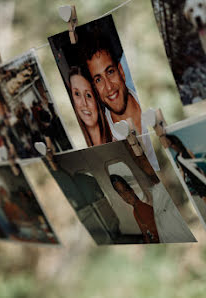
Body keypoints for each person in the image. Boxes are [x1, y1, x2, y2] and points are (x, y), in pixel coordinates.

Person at [83, 36, 159, 170]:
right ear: (94, 89)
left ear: (122, 72)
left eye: (110, 72)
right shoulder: (105, 138)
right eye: (98, 80)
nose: (109, 87)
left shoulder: (152, 95)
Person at [166, 134, 206, 231]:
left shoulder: (187, 151)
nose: (172, 147)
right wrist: (183, 182)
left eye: (172, 144)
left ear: (176, 143)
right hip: (194, 182)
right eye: (170, 146)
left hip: (200, 178)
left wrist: (204, 177)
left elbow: (198, 165)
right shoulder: (178, 158)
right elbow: (182, 170)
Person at [68, 66, 113, 146]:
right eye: (77, 94)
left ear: (96, 101)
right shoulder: (74, 144)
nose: (84, 103)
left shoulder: (116, 136)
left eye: (88, 95)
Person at [110, 174, 160, 243]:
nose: (125, 196)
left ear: (132, 191)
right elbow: (145, 234)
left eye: (125, 190)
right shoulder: (135, 211)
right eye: (120, 193)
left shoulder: (143, 209)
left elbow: (159, 235)